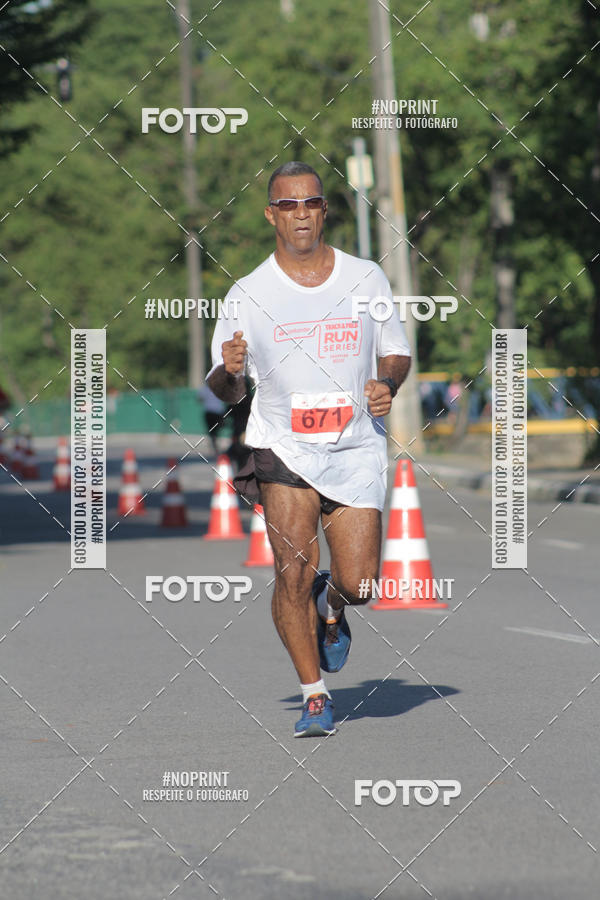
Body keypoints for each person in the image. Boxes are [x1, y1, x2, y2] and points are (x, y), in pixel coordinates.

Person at [207, 161, 411, 737]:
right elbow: (223, 388)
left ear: (324, 210)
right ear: (271, 215)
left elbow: (396, 350)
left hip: (354, 449)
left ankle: (333, 605)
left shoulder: (365, 278)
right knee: (292, 572)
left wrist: (387, 384)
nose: (300, 214)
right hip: (284, 449)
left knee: (360, 584)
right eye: (288, 205)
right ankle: (315, 695)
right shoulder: (247, 294)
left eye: (311, 203)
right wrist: (231, 370)